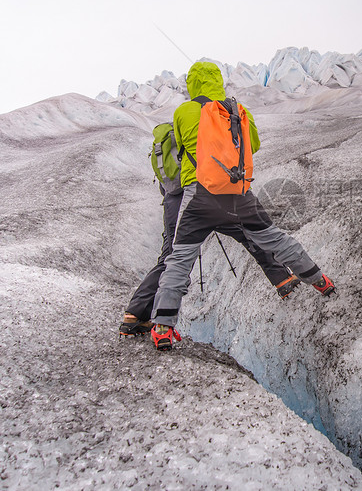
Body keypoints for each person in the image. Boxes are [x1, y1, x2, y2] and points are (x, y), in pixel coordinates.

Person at [150, 61, 335, 350]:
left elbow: (183, 148)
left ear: (192, 84)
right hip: (239, 193)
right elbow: (255, 145)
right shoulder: (239, 110)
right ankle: (319, 279)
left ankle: (162, 326)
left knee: (180, 259)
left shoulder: (183, 112)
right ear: (218, 81)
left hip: (199, 196)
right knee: (275, 239)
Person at [118, 141, 300, 337]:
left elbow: (166, 187)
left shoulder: (175, 142)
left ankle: (136, 314)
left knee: (171, 257)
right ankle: (283, 279)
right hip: (205, 196)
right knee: (249, 232)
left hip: (175, 201)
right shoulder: (208, 128)